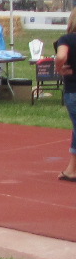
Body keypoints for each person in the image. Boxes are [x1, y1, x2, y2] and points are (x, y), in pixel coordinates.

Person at [55, 9, 76, 182]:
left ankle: (72, 170)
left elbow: (61, 56)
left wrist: (58, 67)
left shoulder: (67, 40)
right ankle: (71, 168)